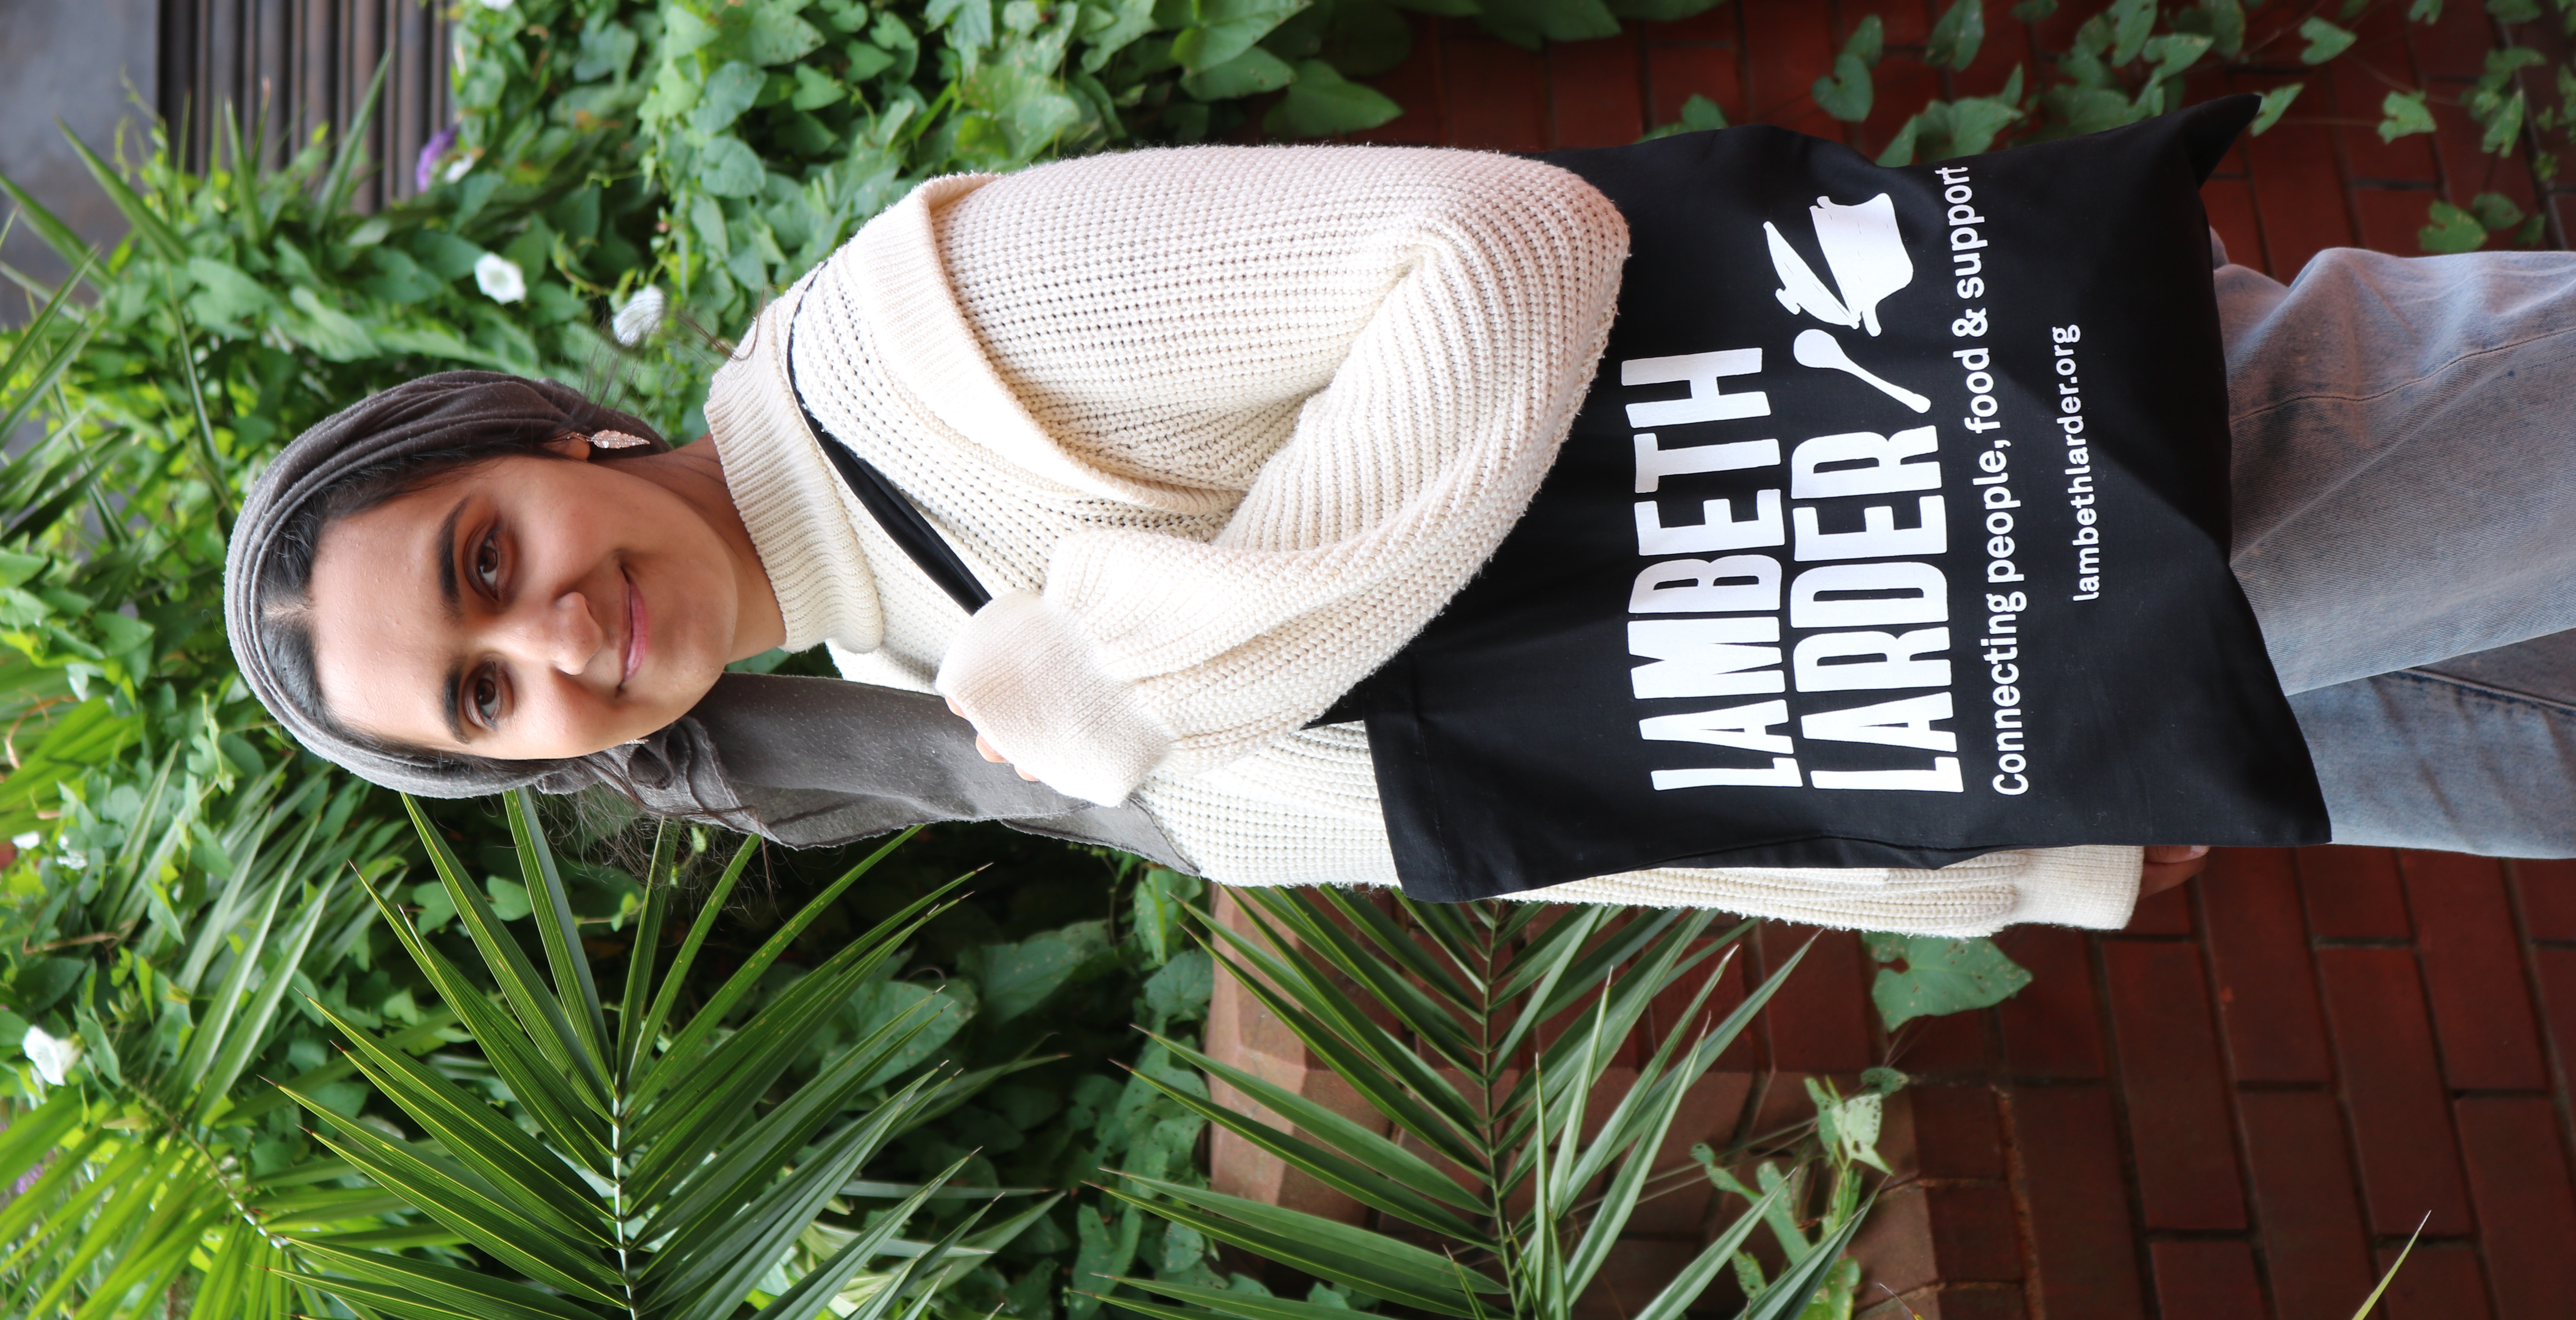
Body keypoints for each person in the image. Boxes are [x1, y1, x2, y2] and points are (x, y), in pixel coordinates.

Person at [223, 143, 2576, 935]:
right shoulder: (946, 689)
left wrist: (1180, 673)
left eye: (480, 561)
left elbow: (1508, 249)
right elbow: (1576, 773)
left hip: (2060, 468)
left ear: (548, 437)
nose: (552, 636)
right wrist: (2012, 863)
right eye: (489, 699)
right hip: (2065, 696)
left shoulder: (915, 344)